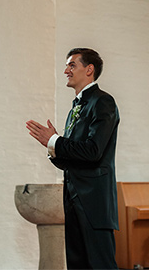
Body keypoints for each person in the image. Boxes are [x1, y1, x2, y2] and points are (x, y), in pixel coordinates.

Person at [26, 48, 120, 269]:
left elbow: (93, 151)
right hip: (73, 198)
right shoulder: (75, 109)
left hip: (94, 200)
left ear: (89, 69)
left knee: (101, 265)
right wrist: (51, 145)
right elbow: (76, 155)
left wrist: (56, 141)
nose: (66, 70)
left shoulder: (103, 102)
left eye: (72, 65)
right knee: (78, 265)